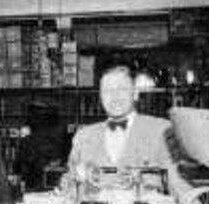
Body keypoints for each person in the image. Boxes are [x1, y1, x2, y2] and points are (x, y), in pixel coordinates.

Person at [67, 64, 190, 195]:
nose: (115, 97)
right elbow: (68, 185)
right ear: (100, 97)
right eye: (107, 91)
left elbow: (180, 186)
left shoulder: (162, 131)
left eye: (121, 89)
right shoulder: (83, 136)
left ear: (135, 93)